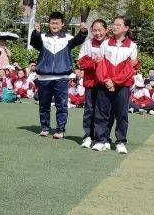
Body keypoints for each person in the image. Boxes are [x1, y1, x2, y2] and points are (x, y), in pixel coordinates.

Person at [30, 12, 88, 139]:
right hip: (44, 77)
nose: (54, 25)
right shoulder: (43, 37)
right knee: (43, 104)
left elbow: (78, 40)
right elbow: (34, 43)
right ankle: (45, 127)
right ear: (49, 24)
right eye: (52, 23)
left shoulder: (68, 38)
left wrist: (83, 32)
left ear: (62, 24)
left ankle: (60, 129)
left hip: (61, 77)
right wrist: (36, 32)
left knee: (61, 105)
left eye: (57, 23)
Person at [92, 16, 139, 154]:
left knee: (121, 114)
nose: (115, 26)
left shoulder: (132, 46)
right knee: (102, 112)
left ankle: (120, 142)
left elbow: (129, 70)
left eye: (119, 25)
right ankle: (101, 140)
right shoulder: (105, 44)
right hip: (105, 84)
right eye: (114, 24)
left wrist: (115, 82)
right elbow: (100, 64)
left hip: (122, 86)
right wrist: (107, 80)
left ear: (126, 28)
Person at [76, 19, 108, 148]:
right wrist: (94, 62)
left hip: (105, 82)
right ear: (91, 31)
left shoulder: (110, 43)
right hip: (90, 82)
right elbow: (82, 62)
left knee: (103, 111)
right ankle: (88, 136)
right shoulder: (88, 44)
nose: (97, 33)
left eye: (100, 30)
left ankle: (103, 138)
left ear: (106, 30)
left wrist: (101, 63)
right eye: (94, 30)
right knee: (89, 110)